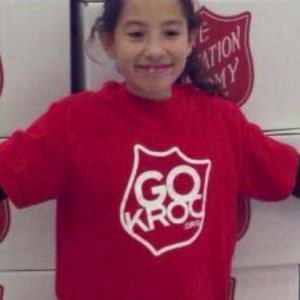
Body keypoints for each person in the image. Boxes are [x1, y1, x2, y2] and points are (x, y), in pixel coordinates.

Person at [0, 0, 299, 299]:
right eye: (136, 34)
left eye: (170, 32)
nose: (155, 49)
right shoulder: (72, 123)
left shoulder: (223, 123)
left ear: (191, 38)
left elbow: (287, 172)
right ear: (109, 41)